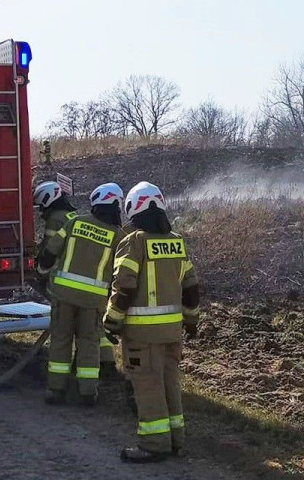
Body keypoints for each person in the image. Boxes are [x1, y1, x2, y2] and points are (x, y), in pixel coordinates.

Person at [103, 182, 200, 463]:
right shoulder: (177, 241)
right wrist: (191, 321)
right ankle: (175, 440)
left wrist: (111, 322)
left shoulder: (133, 241)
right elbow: (192, 288)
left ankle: (154, 444)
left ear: (134, 208)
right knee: (170, 383)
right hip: (172, 333)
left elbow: (124, 288)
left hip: (142, 335)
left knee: (147, 386)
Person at [37, 183, 125, 405]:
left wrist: (42, 273)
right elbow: (122, 272)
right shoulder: (117, 236)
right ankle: (87, 392)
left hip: (63, 295)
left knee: (60, 340)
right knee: (89, 342)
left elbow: (50, 252)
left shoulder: (75, 222)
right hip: (93, 301)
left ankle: (56, 390)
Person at [32, 181, 78, 298]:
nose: (41, 210)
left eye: (41, 205)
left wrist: (39, 270)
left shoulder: (55, 219)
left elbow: (50, 248)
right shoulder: (71, 215)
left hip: (62, 271)